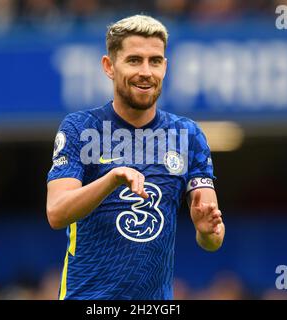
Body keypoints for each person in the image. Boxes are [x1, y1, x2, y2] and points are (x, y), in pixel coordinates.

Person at [46, 14, 225, 300]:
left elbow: (213, 238)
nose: (146, 71)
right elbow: (56, 213)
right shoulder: (80, 128)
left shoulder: (187, 134)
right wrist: (112, 179)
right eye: (134, 60)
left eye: (155, 61)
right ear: (109, 66)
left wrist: (207, 231)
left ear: (165, 67)